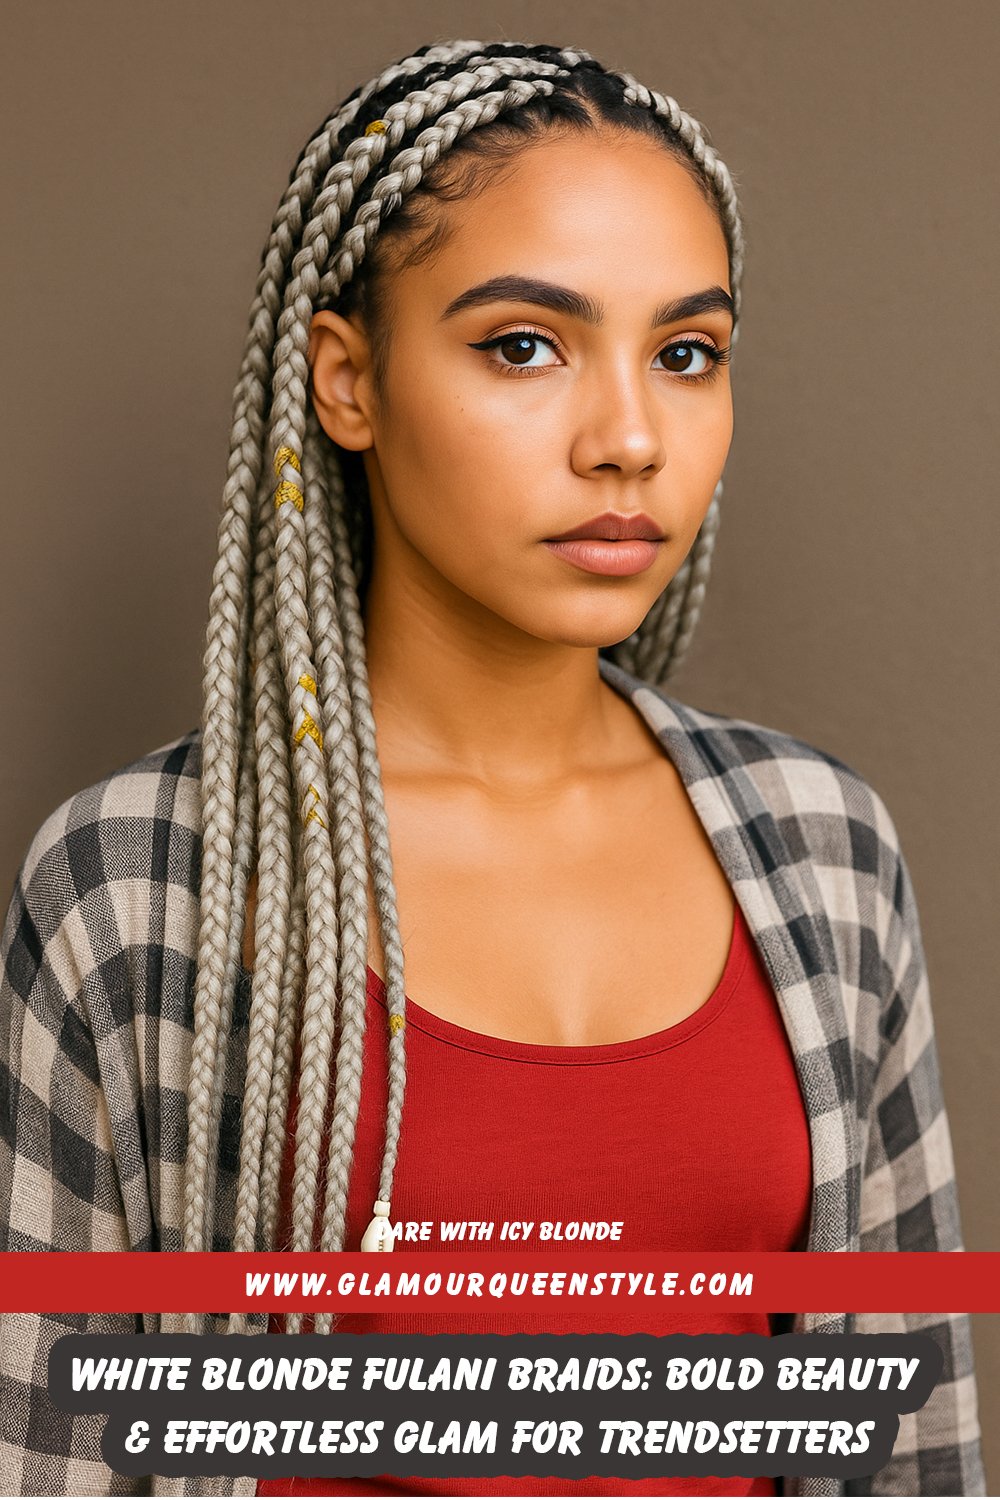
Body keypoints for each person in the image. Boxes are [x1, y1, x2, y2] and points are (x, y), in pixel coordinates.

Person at [0, 37, 985, 1500]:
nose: (631, 438)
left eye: (686, 352)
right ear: (346, 380)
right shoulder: (138, 887)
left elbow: (909, 1444)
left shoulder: (821, 849)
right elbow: (56, 1458)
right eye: (525, 344)